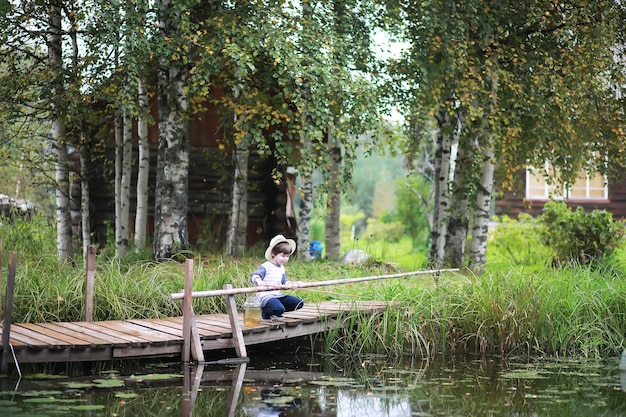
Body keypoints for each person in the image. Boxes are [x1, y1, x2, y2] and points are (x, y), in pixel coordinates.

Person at [250, 234, 304, 322]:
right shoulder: (266, 266)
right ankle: (265, 312)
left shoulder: (281, 268)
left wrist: (293, 284)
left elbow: (284, 281)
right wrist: (258, 281)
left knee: (299, 303)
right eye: (283, 256)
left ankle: (276, 311)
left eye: (287, 256)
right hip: (266, 296)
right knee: (279, 308)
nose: (286, 259)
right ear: (273, 253)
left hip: (277, 295)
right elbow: (254, 276)